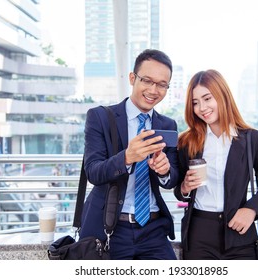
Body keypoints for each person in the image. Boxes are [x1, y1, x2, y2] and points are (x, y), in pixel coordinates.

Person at [79, 49, 179, 260]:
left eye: (162, 84)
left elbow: (172, 180)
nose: (154, 90)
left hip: (153, 228)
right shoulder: (100, 117)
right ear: (133, 78)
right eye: (147, 80)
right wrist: (126, 157)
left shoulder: (168, 125)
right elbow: (93, 172)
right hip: (111, 228)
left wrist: (165, 171)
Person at [175, 69, 258, 260]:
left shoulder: (252, 139)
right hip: (199, 232)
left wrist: (251, 210)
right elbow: (178, 188)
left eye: (207, 98)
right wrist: (184, 187)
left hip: (239, 231)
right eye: (195, 103)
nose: (202, 107)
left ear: (222, 95)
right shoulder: (187, 142)